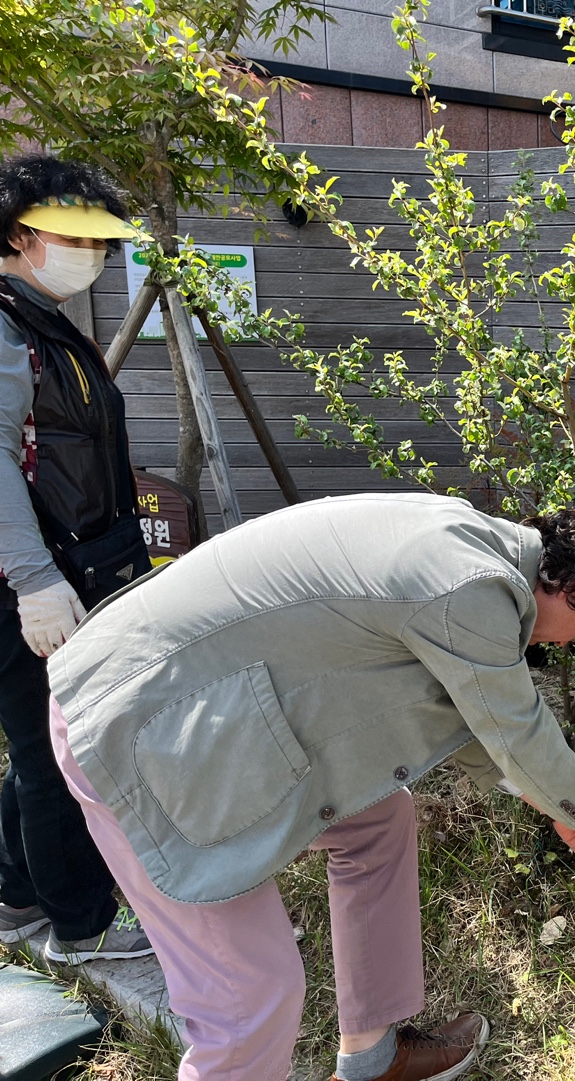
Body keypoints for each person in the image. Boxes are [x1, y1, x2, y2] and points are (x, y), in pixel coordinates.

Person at [46, 495, 575, 1081]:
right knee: (251, 996)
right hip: (133, 731)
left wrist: (557, 806)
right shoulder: (470, 587)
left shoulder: (467, 544)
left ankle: (372, 1055)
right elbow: (519, 734)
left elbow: (477, 723)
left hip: (187, 704)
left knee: (378, 822)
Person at [0, 155, 155, 962]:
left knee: (36, 741)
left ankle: (18, 893)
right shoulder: (5, 322)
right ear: (21, 235)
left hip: (74, 564)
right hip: (36, 579)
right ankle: (81, 928)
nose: (90, 255)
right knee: (54, 752)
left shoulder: (39, 316)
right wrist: (33, 582)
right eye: (73, 238)